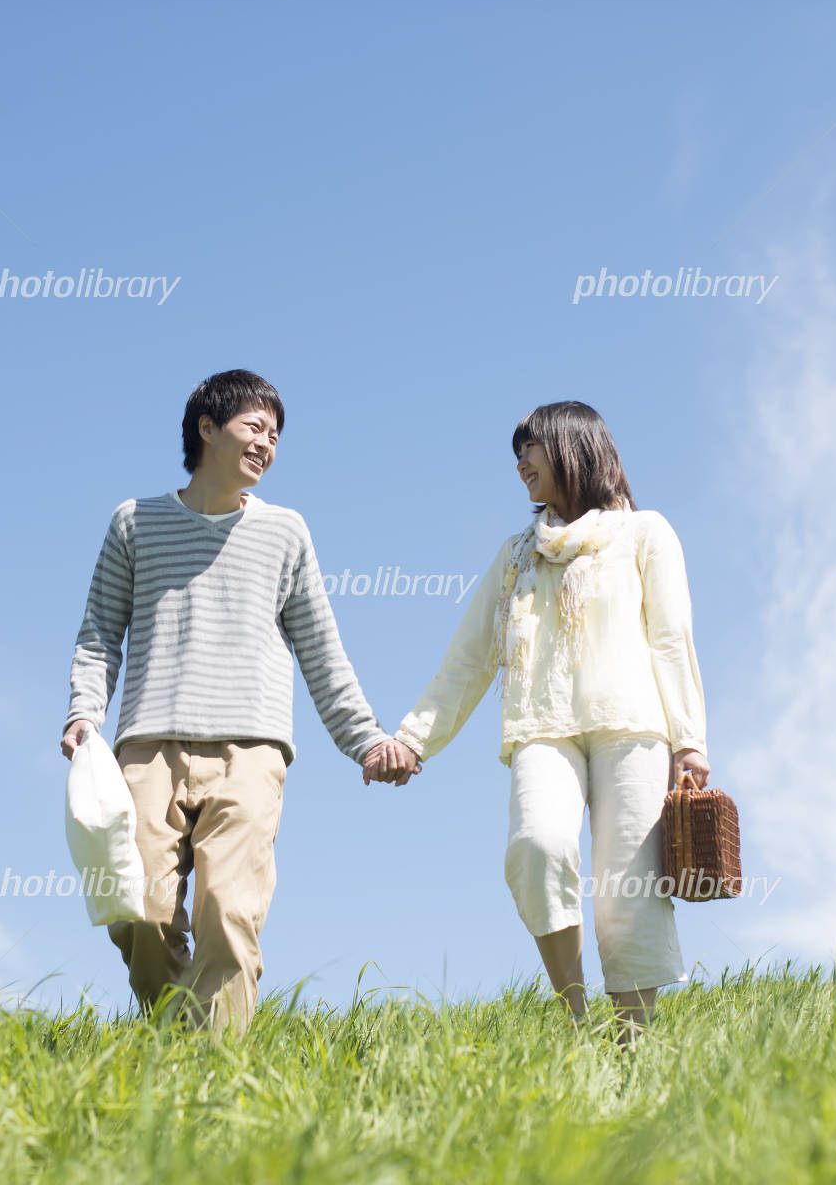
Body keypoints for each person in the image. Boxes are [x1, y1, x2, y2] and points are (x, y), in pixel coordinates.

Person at [61, 369, 416, 1033]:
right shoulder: (135, 522)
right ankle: (176, 1040)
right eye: (255, 428)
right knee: (138, 908)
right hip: (147, 746)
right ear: (206, 428)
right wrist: (85, 712)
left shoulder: (286, 533)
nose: (267, 446)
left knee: (228, 909)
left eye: (276, 436)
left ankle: (217, 1076)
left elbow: (320, 646)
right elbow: (99, 631)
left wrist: (366, 738)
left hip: (251, 749)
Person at [366, 401, 708, 1043]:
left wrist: (689, 742)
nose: (520, 462)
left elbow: (671, 638)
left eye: (533, 447)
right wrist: (413, 741)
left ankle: (636, 1041)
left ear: (576, 449)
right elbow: (468, 659)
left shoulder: (645, 533)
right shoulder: (515, 556)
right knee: (536, 849)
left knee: (627, 888)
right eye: (517, 452)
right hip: (540, 726)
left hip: (632, 726)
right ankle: (577, 1020)